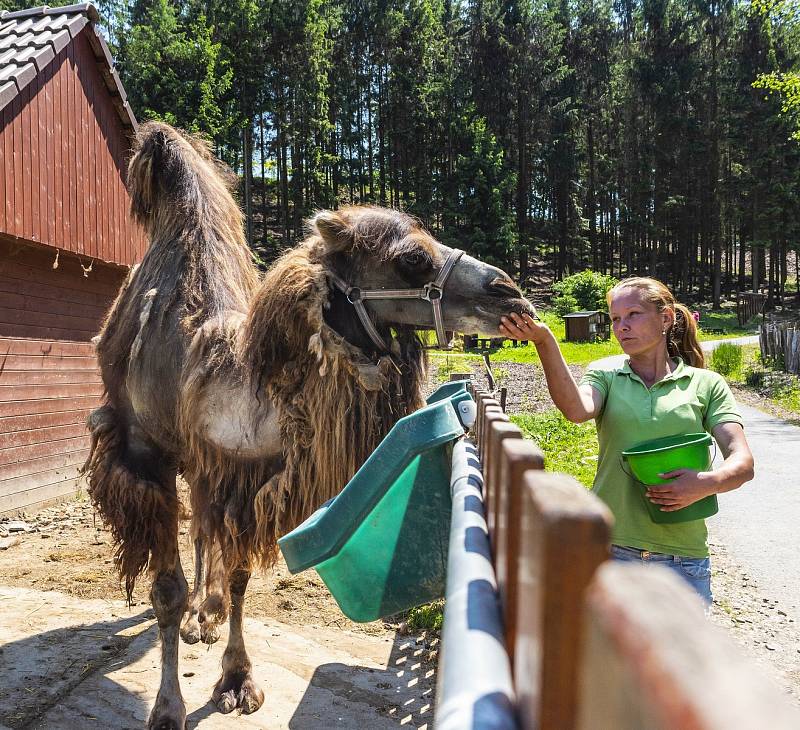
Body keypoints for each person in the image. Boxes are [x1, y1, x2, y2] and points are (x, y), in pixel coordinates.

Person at [499, 277, 754, 604]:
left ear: (666, 319)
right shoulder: (605, 374)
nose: (622, 327)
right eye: (616, 319)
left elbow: (742, 461)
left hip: (683, 562)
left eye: (633, 314)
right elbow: (578, 410)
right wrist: (545, 341)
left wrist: (706, 482)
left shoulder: (706, 385)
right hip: (610, 550)